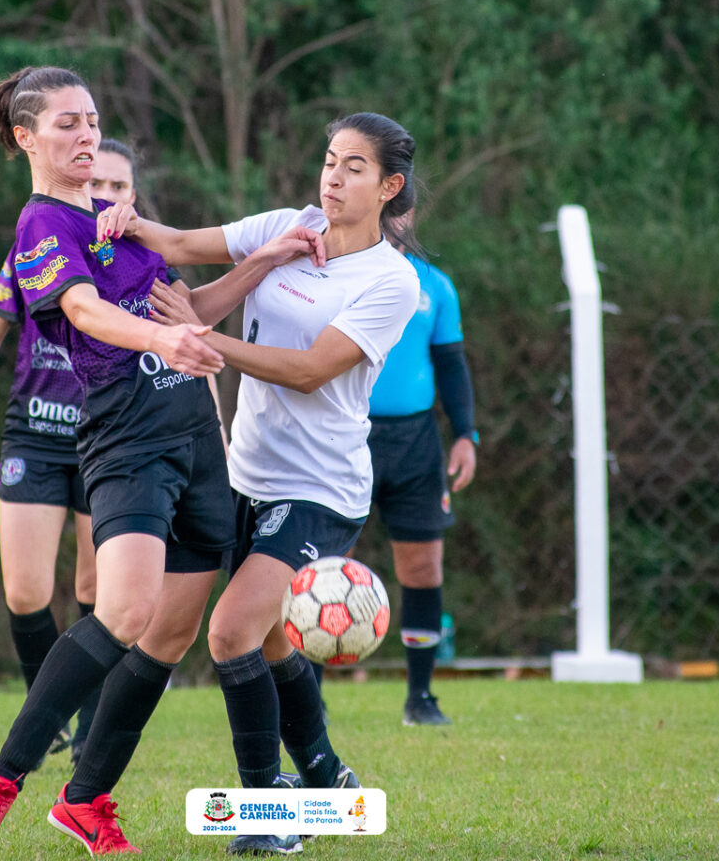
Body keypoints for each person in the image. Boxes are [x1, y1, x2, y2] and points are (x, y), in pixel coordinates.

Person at [0, 67, 320, 857]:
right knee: (120, 613)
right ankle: (1, 780)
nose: (85, 135)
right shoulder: (42, 228)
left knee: (168, 638)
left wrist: (268, 260)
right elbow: (85, 312)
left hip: (195, 443)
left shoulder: (115, 224)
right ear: (25, 138)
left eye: (91, 121)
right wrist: (163, 341)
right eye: (65, 126)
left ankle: (86, 801)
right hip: (127, 441)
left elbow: (192, 314)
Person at [132, 112, 423, 856]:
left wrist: (202, 341)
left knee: (231, 631)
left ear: (389, 187)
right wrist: (112, 216)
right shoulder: (287, 226)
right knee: (263, 643)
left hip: (321, 488)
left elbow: (308, 371)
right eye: (330, 160)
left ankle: (268, 817)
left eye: (355, 166)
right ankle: (323, 774)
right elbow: (175, 245)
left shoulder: (393, 280)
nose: (333, 176)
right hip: (243, 476)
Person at [0, 138, 145, 764]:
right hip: (33, 434)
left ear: (133, 197)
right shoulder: (39, 246)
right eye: (101, 186)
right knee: (25, 593)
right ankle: (46, 716)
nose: (108, 196)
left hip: (105, 437)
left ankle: (89, 731)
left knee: (97, 588)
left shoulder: (140, 259)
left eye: (120, 187)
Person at [355, 216, 478, 726]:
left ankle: (420, 698)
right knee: (316, 570)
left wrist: (467, 436)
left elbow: (451, 365)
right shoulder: (336, 274)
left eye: (402, 206)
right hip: (344, 437)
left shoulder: (435, 285)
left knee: (423, 568)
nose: (393, 219)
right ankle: (307, 699)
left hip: (416, 444)